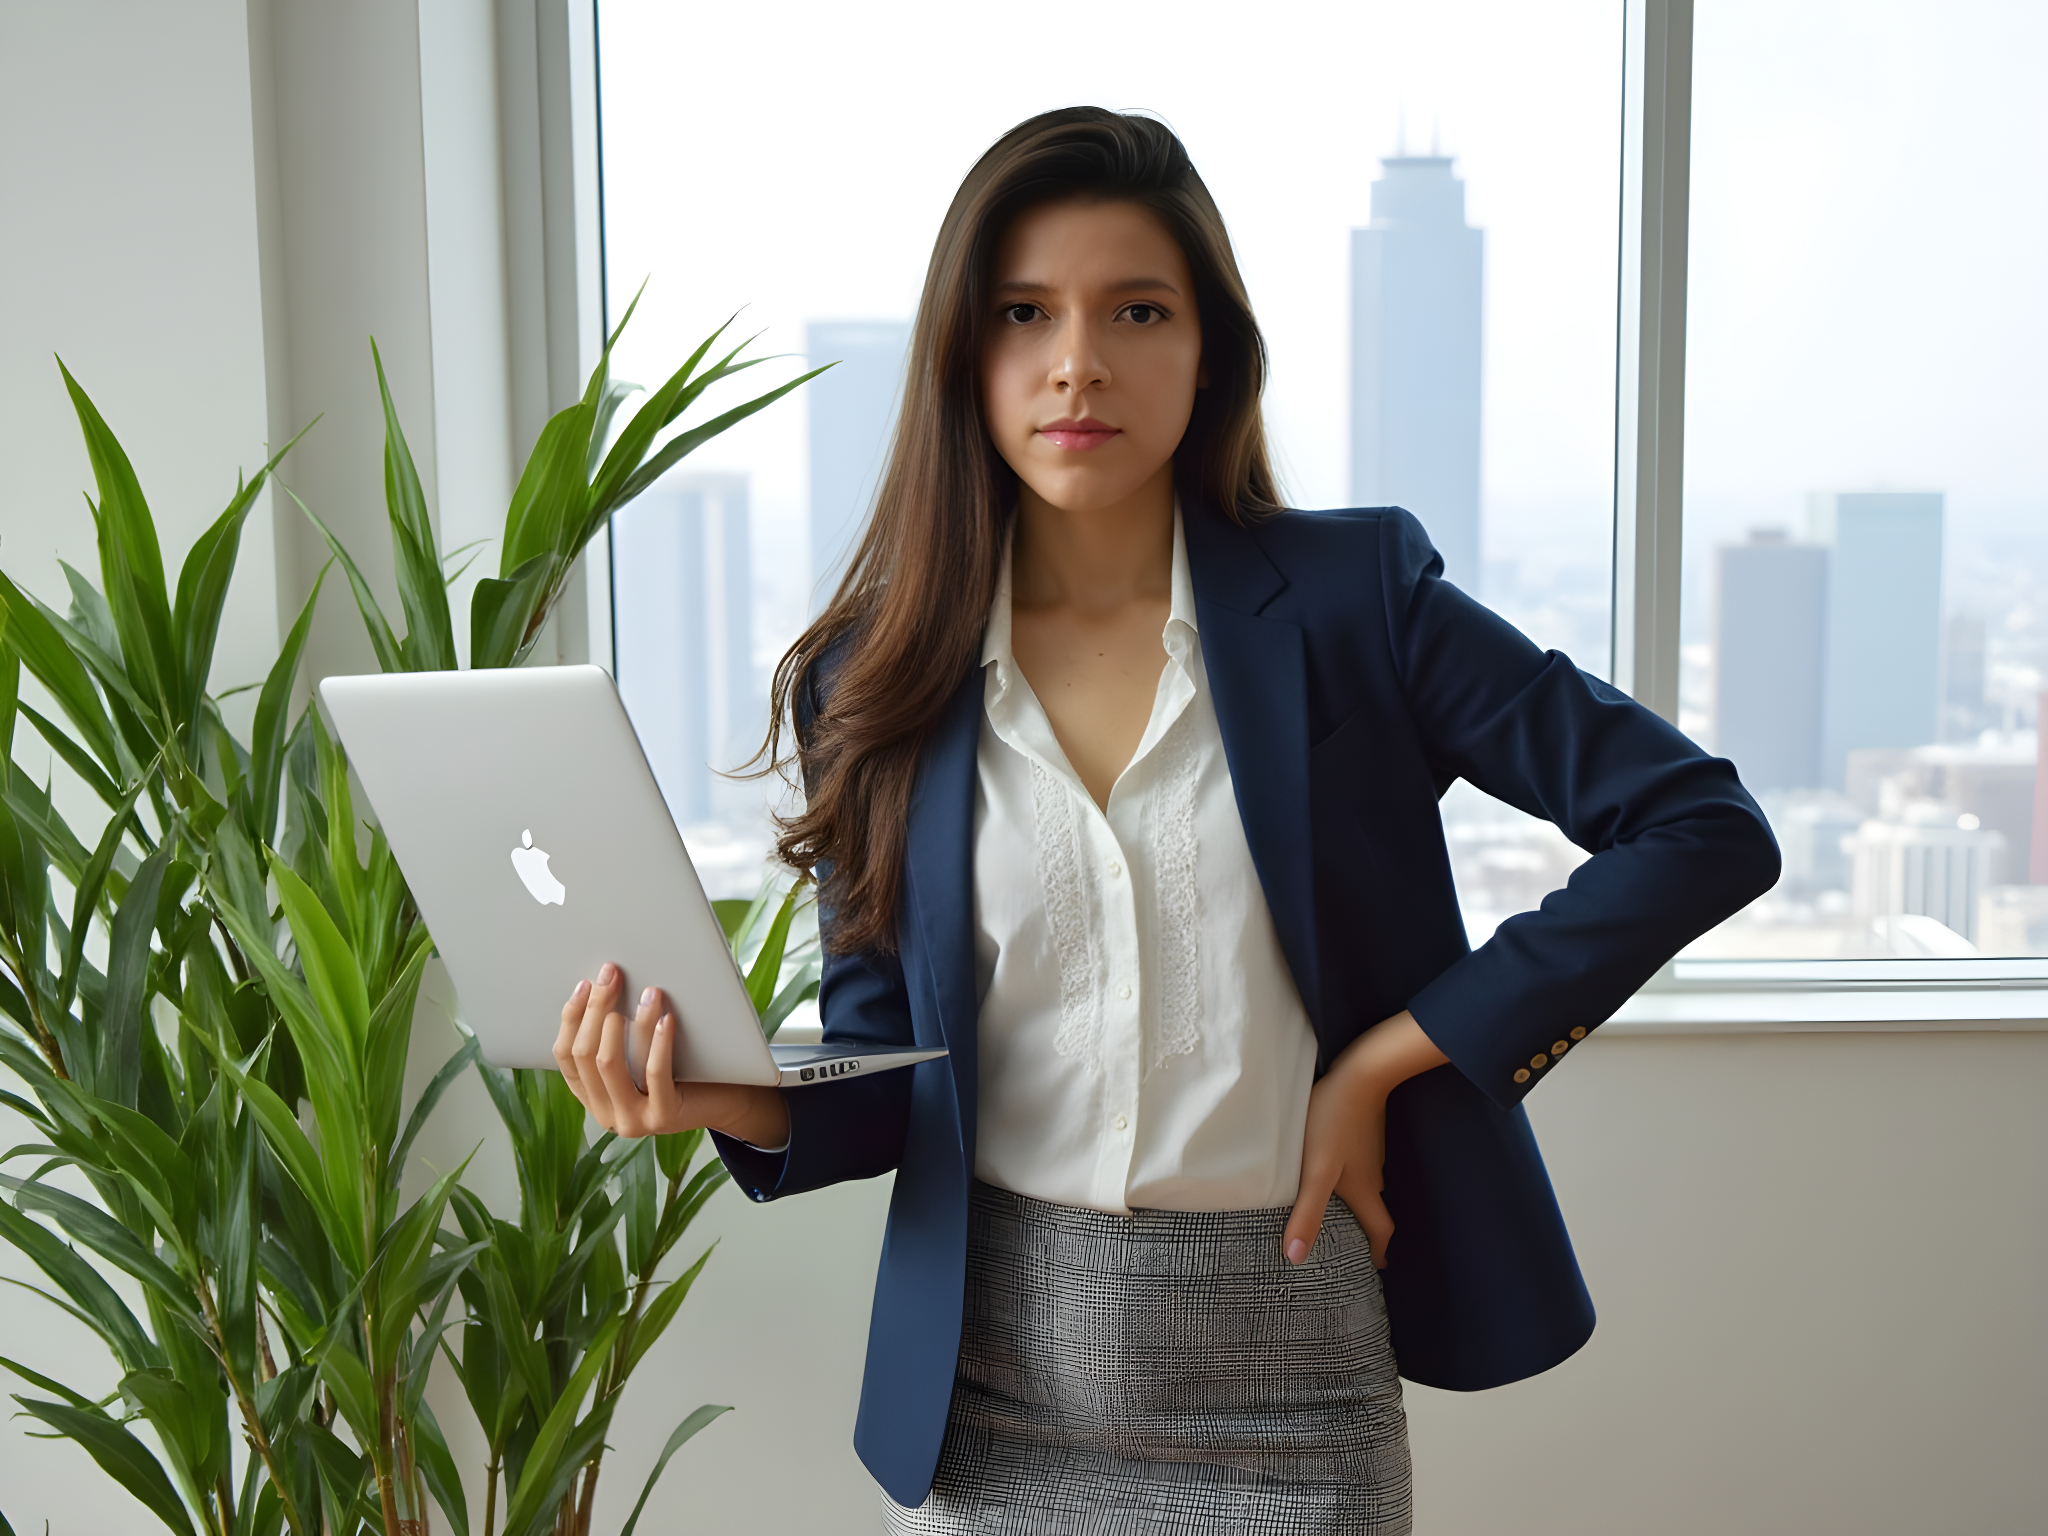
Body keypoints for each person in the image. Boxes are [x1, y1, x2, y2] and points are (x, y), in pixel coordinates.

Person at [553, 107, 1780, 1534]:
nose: (1079, 360)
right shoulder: (875, 672)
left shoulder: (1353, 603)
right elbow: (896, 1063)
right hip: (995, 1403)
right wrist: (719, 1097)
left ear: (1212, 351)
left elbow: (1701, 826)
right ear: (967, 356)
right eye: (1026, 313)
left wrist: (1391, 1060)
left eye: (1138, 309)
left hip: (1291, 1397)